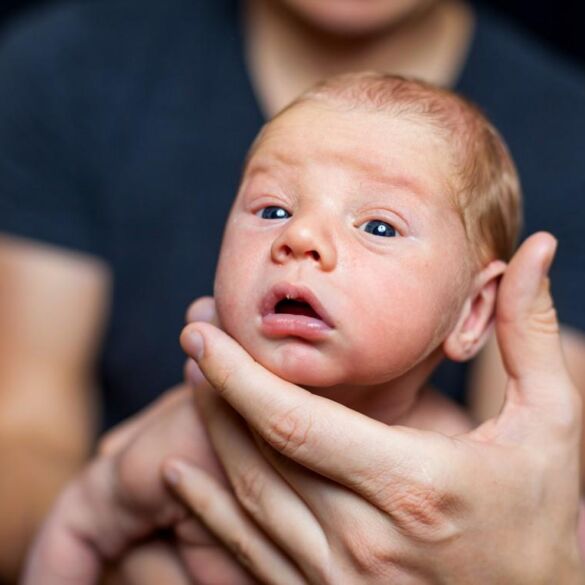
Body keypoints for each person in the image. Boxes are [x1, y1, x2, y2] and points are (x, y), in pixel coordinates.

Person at [2, 0, 585, 580]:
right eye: (273, 209)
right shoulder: (181, 443)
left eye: (378, 226)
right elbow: (78, 521)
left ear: (473, 312)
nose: (300, 236)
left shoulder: (470, 479)